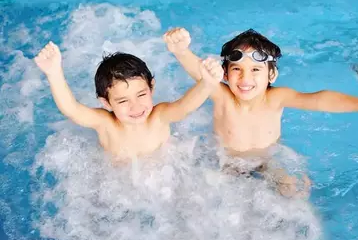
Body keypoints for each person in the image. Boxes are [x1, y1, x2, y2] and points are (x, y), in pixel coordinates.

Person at [165, 27, 358, 198]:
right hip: (228, 163)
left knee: (294, 190)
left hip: (267, 159)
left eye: (256, 70)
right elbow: (199, 73)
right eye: (237, 70)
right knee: (215, 200)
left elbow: (318, 100)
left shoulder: (276, 98)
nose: (245, 79)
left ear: (271, 76)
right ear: (225, 75)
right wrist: (180, 51)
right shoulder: (222, 96)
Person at [34, 40, 224, 162]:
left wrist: (206, 83)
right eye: (123, 101)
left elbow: (185, 106)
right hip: (121, 186)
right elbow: (72, 110)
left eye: (141, 95)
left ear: (152, 88)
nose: (136, 106)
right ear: (106, 103)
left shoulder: (159, 116)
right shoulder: (106, 124)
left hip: (162, 178)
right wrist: (54, 73)